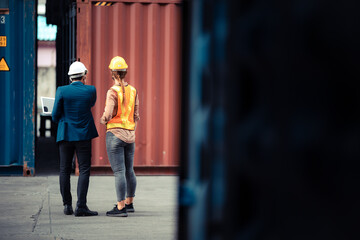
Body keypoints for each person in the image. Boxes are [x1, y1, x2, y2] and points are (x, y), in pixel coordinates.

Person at [52, 61, 99, 217]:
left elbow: (54, 115)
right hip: (84, 135)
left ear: (70, 77)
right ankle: (81, 206)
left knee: (64, 169)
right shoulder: (91, 90)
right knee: (84, 169)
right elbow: (90, 104)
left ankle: (67, 205)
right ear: (84, 76)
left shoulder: (61, 91)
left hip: (65, 134)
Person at [100, 56, 140, 217]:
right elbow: (136, 114)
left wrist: (103, 120)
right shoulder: (133, 90)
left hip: (115, 135)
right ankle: (129, 203)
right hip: (130, 136)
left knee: (119, 172)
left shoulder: (112, 91)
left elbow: (108, 113)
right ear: (125, 72)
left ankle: (120, 207)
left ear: (112, 72)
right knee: (129, 170)